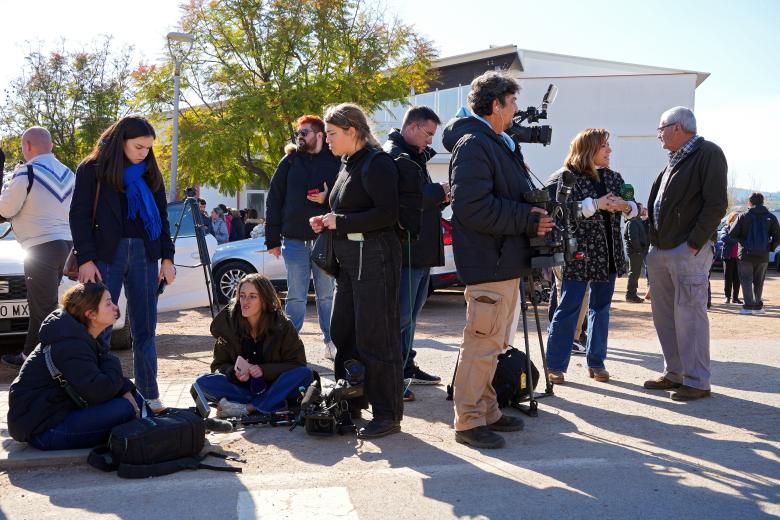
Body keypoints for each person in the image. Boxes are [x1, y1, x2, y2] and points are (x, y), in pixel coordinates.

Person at [441, 71, 554, 449]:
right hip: (489, 263)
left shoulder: (496, 143)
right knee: (481, 343)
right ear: (496, 106)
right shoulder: (474, 145)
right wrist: (527, 218)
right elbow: (471, 208)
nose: (517, 110)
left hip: (503, 262)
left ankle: (487, 408)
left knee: (495, 343)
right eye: (513, 103)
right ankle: (469, 421)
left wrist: (533, 213)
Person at [69, 115, 176, 412]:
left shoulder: (150, 171)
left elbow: (162, 218)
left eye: (148, 147)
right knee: (99, 328)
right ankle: (99, 395)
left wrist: (168, 258)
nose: (144, 153)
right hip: (105, 255)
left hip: (145, 253)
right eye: (139, 146)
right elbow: (78, 216)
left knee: (145, 329)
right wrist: (86, 259)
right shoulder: (92, 169)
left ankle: (150, 397)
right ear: (121, 141)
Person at [310, 103, 404, 439]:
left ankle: (387, 413)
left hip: (375, 259)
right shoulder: (348, 163)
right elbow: (345, 208)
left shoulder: (378, 163)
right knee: (343, 332)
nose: (328, 140)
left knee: (376, 337)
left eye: (333, 134)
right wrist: (327, 220)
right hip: (349, 262)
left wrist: (342, 221)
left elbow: (387, 214)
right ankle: (350, 402)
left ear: (353, 131)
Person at [643, 106, 728, 401]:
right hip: (662, 250)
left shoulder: (708, 153)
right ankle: (675, 373)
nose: (658, 134)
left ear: (677, 128)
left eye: (661, 128)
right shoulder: (672, 161)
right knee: (665, 316)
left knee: (689, 315)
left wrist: (694, 243)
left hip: (687, 249)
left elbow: (716, 203)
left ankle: (697, 381)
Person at [545, 129, 637, 385]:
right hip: (578, 254)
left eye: (608, 146)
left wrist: (626, 206)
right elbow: (557, 212)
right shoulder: (565, 178)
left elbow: (633, 206)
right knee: (569, 308)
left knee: (601, 308)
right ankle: (554, 364)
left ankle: (596, 362)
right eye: (604, 146)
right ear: (588, 149)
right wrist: (595, 205)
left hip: (608, 255)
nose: (609, 151)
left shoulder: (615, 178)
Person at [7, 282, 147, 450]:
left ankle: (156, 430)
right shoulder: (70, 344)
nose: (115, 307)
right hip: (45, 430)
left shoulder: (76, 335)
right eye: (108, 303)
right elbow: (99, 391)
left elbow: (96, 381)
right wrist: (111, 359)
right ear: (91, 314)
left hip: (57, 414)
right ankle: (150, 434)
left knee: (134, 397)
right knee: (125, 408)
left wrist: (125, 389)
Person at [383, 106, 447, 400]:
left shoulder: (412, 155)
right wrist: (439, 193)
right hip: (407, 250)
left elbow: (422, 199)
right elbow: (407, 200)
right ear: (412, 127)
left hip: (419, 251)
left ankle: (406, 367)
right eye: (429, 134)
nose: (431, 141)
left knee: (410, 316)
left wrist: (440, 197)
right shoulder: (395, 155)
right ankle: (393, 377)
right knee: (401, 317)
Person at [266, 115, 341, 360]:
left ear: (319, 135)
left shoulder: (336, 160)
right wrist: (272, 239)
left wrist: (327, 198)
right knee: (296, 294)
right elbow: (274, 198)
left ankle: (332, 341)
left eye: (305, 132)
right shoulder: (289, 161)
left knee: (326, 293)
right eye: (298, 132)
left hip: (326, 239)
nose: (300, 136)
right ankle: (291, 345)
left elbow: (348, 196)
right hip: (294, 240)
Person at [0, 127, 76, 369]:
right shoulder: (68, 173)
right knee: (44, 304)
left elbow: (6, 210)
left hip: (40, 247)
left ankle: (39, 361)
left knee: (42, 308)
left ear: (28, 146)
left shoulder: (27, 172)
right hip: (65, 245)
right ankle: (34, 355)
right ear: (51, 145)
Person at [193, 274, 313, 417]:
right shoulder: (228, 325)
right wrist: (234, 373)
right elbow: (218, 366)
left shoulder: (283, 325)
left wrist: (264, 370)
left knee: (305, 374)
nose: (245, 301)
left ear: (264, 300)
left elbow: (298, 364)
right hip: (243, 389)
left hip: (276, 385)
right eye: (242, 295)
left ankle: (248, 407)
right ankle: (268, 403)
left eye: (252, 296)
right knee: (201, 382)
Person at [727, 192, 780, 315]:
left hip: (745, 254)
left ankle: (748, 307)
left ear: (749, 202)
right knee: (759, 281)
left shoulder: (743, 216)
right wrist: (769, 247)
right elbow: (778, 237)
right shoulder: (771, 217)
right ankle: (758, 307)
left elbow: (731, 235)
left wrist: (742, 242)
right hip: (763, 255)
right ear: (763, 202)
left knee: (746, 280)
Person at [624, 202, 649, 303]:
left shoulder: (637, 220)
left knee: (636, 273)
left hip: (637, 252)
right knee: (634, 273)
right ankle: (630, 295)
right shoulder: (633, 222)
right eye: (641, 209)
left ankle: (632, 294)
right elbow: (633, 238)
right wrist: (639, 250)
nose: (643, 210)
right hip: (635, 252)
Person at [718, 212, 742, 305]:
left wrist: (736, 239)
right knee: (728, 277)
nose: (736, 220)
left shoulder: (741, 229)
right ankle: (727, 297)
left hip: (738, 256)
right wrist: (737, 240)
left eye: (737, 218)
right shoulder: (726, 227)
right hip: (728, 256)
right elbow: (724, 237)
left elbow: (743, 239)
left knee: (737, 278)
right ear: (731, 219)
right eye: (735, 218)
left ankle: (735, 298)